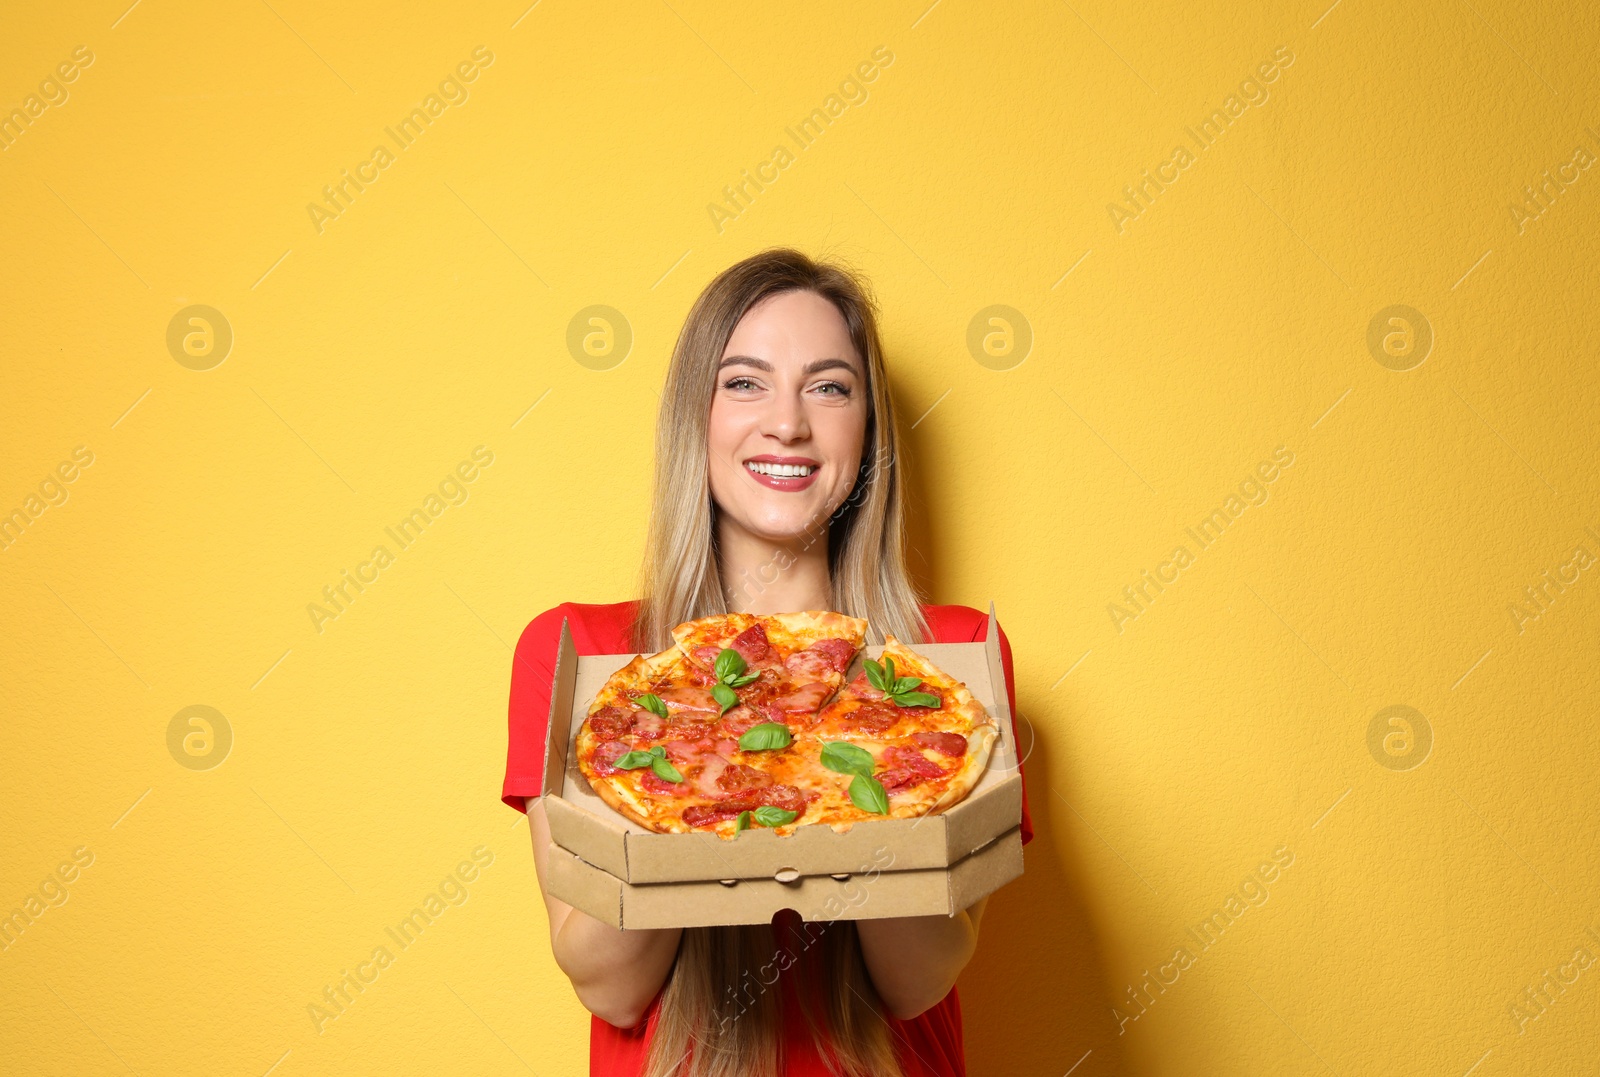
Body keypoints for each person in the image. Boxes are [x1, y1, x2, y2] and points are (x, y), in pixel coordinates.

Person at [501, 248, 1035, 1076]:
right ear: (696, 417)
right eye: (745, 382)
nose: (788, 422)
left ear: (868, 428)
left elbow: (918, 978)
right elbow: (611, 987)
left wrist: (849, 723)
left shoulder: (947, 666)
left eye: (829, 386)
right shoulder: (588, 659)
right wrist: (697, 762)